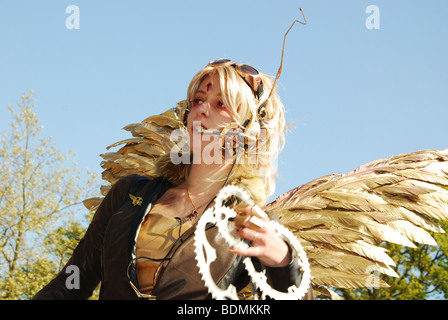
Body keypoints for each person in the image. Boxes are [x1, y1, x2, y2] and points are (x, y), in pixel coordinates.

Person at [33, 59, 312, 300]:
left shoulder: (251, 223)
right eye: (198, 100)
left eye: (221, 105)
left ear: (246, 131)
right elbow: (71, 283)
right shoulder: (129, 193)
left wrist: (284, 264)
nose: (202, 110)